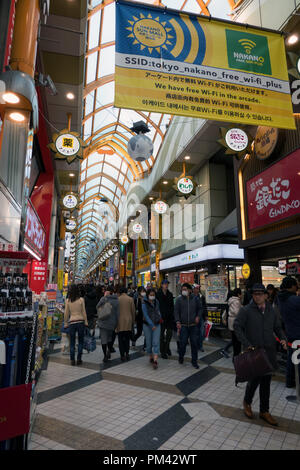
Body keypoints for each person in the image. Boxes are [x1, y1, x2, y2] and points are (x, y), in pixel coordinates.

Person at [234, 283, 287, 426]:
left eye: (260, 294)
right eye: (255, 294)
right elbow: (237, 326)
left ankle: (264, 411)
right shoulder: (246, 310)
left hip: (269, 351)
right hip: (254, 352)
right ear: (252, 295)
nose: (257, 296)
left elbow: (277, 327)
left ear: (265, 295)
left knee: (266, 383)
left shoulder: (272, 309)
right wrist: (246, 343)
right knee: (254, 380)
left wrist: (282, 338)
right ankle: (247, 402)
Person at [277, 276, 300, 388]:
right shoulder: (294, 299)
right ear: (291, 286)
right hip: (298, 333)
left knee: (292, 358)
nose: (297, 286)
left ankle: (290, 382)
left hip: (289, 332)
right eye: (296, 285)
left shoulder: (281, 298)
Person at [174, 283, 202, 369]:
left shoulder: (196, 299)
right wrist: (178, 321)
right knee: (182, 343)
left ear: (190, 290)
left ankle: (194, 361)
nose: (184, 291)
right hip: (183, 326)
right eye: (183, 289)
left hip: (193, 326)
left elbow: (200, 309)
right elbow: (176, 311)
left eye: (185, 289)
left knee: (194, 343)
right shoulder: (179, 299)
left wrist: (198, 316)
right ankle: (181, 356)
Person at [64, 284, 88, 366]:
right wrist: (86, 322)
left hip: (72, 322)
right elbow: (84, 312)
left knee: (72, 342)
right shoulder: (81, 300)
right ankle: (79, 359)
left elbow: (66, 313)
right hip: (80, 321)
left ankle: (72, 360)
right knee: (80, 341)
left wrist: (66, 323)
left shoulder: (68, 300)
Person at [97, 286, 120, 363]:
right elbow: (117, 313)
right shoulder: (116, 300)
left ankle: (105, 355)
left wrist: (104, 297)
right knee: (110, 338)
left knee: (103, 339)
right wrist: (117, 323)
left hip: (103, 322)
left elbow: (97, 306)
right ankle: (109, 351)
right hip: (112, 323)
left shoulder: (104, 299)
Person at [142, 288, 161, 369]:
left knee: (156, 342)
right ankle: (150, 356)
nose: (152, 296)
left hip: (157, 324)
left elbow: (158, 311)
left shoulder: (157, 302)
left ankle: (155, 360)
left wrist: (160, 317)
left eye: (153, 295)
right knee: (149, 344)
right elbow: (145, 315)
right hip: (147, 325)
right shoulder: (144, 303)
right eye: (151, 295)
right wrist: (151, 324)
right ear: (148, 295)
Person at [156, 280, 174, 359]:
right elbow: (156, 306)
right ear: (162, 285)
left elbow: (172, 306)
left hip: (169, 317)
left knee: (169, 334)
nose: (166, 285)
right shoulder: (158, 294)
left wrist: (172, 315)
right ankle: (163, 351)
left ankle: (167, 347)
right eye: (165, 284)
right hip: (161, 317)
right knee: (161, 335)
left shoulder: (170, 294)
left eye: (167, 284)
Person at [116, 287, 136, 361]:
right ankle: (127, 353)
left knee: (120, 339)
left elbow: (116, 312)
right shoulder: (130, 299)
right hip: (128, 321)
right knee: (127, 339)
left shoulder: (117, 299)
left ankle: (122, 355)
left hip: (119, 322)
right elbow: (133, 311)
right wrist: (133, 321)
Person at [227, 288, 242, 360]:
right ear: (238, 294)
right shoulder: (236, 301)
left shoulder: (231, 300)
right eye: (241, 293)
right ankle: (236, 358)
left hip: (231, 322)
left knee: (234, 340)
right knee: (237, 341)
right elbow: (237, 312)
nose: (242, 295)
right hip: (235, 322)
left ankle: (235, 357)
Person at [193, 284, 208, 352]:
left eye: (198, 289)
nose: (197, 290)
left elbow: (204, 306)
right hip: (193, 318)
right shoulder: (191, 297)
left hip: (201, 317)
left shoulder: (202, 297)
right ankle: (196, 346)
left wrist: (206, 315)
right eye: (195, 288)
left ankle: (200, 345)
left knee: (202, 333)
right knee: (195, 333)